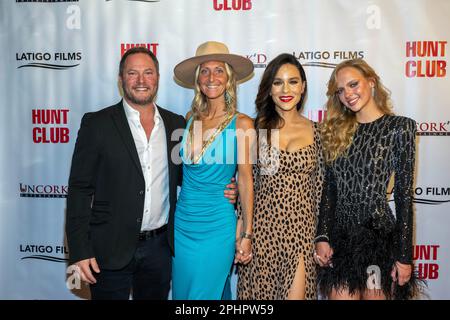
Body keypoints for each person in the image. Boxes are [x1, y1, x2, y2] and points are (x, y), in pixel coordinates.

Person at [65, 46, 236, 300]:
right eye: (132, 73)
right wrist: (79, 250)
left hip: (161, 249)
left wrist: (227, 187)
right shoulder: (97, 124)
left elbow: (191, 173)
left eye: (148, 73)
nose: (141, 81)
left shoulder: (177, 124)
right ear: (121, 79)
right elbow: (79, 189)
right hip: (109, 250)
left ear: (157, 78)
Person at [314, 58, 423, 300]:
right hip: (340, 243)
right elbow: (330, 190)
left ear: (371, 82)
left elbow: (404, 196)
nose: (348, 95)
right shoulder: (335, 131)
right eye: (341, 90)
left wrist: (404, 257)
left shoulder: (399, 128)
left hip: (378, 241)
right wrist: (322, 235)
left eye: (353, 84)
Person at [171, 41, 255, 300]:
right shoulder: (189, 118)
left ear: (229, 78)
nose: (211, 77)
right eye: (204, 71)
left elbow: (245, 180)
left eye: (218, 70)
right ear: (198, 80)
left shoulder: (242, 123)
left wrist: (247, 234)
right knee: (185, 295)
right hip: (182, 225)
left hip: (217, 226)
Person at [237, 53, 324, 300]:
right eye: (277, 82)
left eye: (293, 81)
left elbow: (321, 190)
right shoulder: (253, 129)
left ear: (303, 86)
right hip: (261, 234)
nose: (286, 89)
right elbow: (245, 182)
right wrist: (243, 233)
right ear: (269, 88)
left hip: (302, 235)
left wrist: (323, 237)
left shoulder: (318, 132)